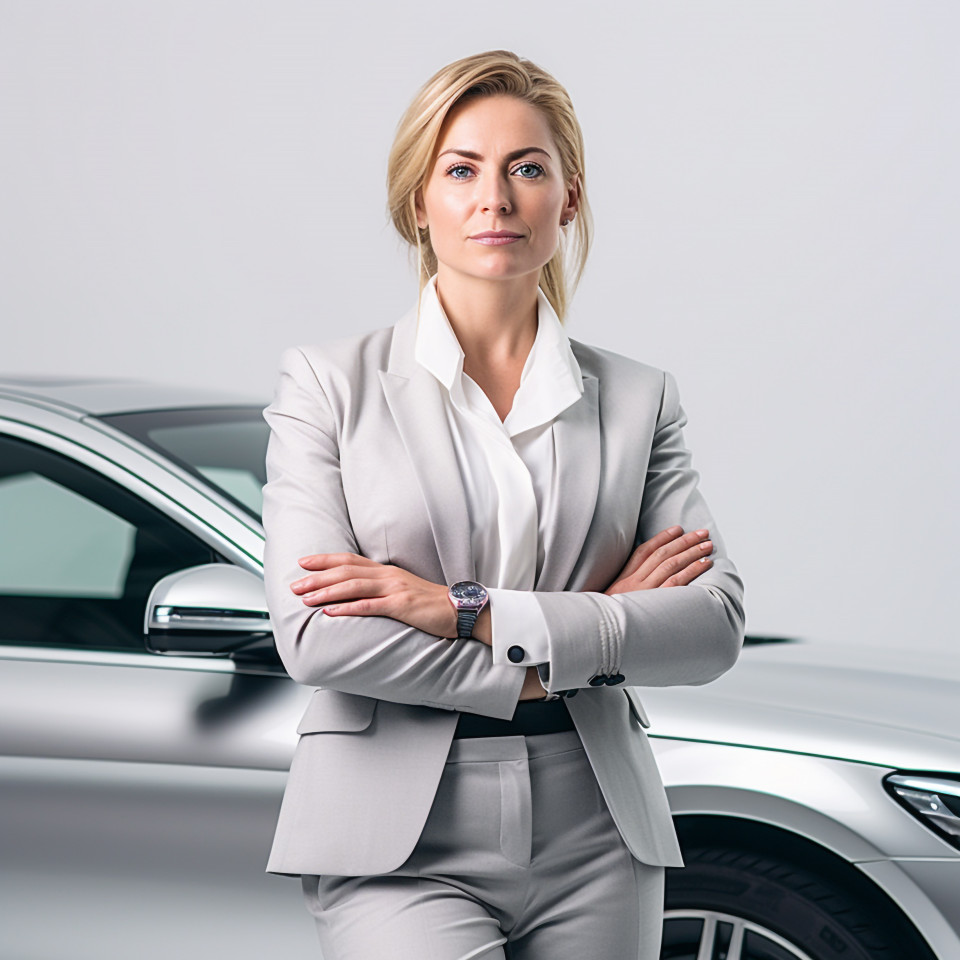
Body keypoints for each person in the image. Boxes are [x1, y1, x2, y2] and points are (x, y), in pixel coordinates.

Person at [261, 49, 744, 960]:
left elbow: (712, 624)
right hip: (395, 831)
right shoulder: (329, 384)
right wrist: (579, 639)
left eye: (527, 168)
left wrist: (460, 611)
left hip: (598, 824)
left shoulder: (640, 398)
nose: (497, 198)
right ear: (420, 203)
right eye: (462, 169)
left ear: (568, 196)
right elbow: (317, 633)